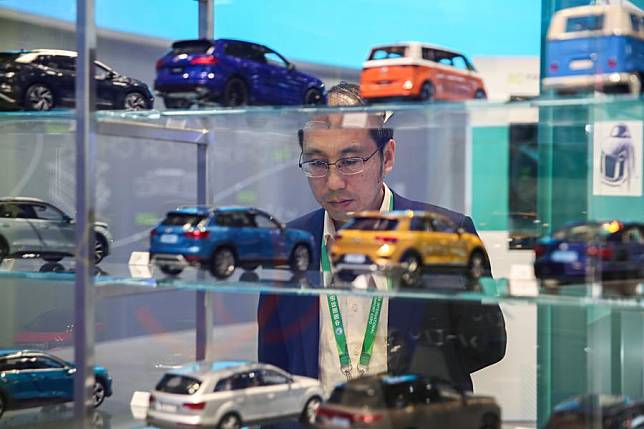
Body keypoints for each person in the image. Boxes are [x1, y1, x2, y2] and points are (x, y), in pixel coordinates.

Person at [257, 82, 506, 395]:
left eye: (350, 161)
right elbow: (274, 361)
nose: (333, 182)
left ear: (387, 157)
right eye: (318, 163)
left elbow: (487, 345)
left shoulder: (446, 232)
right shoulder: (287, 246)